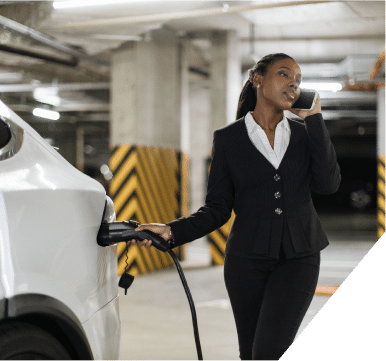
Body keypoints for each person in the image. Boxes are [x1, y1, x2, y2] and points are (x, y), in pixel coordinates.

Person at [130, 53, 341, 361]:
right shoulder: (228, 140)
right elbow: (217, 208)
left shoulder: (305, 133)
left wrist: (315, 120)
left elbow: (328, 184)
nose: (293, 82)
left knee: (268, 352)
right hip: (246, 262)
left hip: (298, 257)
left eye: (297, 79)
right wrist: (171, 231)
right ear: (258, 79)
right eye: (284, 74)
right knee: (249, 353)